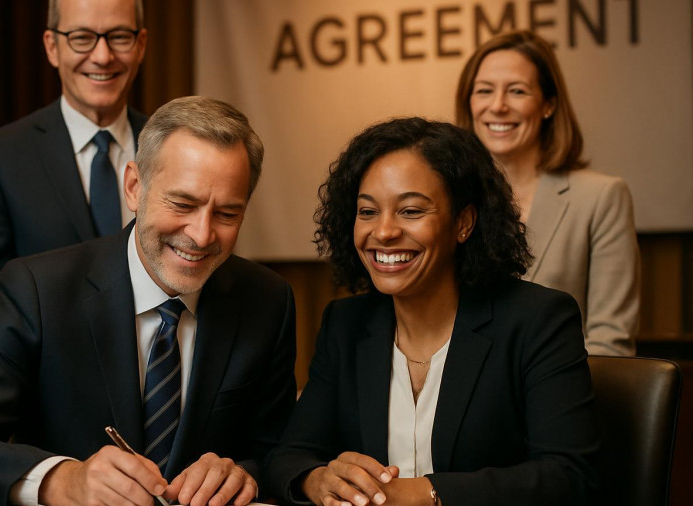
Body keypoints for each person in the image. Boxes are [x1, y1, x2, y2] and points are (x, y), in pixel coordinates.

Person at [0, 97, 298, 506]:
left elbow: (280, 452)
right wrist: (61, 480)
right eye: (182, 204)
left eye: (227, 214)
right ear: (133, 187)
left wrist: (244, 474)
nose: (201, 235)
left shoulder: (267, 299)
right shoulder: (38, 291)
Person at [266, 118, 597, 505]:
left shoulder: (538, 319)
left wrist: (427, 493)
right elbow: (289, 456)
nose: (383, 232)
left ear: (463, 223)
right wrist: (318, 480)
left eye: (410, 211)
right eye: (367, 211)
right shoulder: (346, 324)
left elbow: (569, 476)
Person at [0, 0, 149, 341]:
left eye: (119, 36)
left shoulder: (171, 150)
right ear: (52, 47)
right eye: (82, 37)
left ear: (141, 44)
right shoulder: (0, 157)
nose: (102, 56)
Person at [455, 30, 640, 356]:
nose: (497, 106)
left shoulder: (602, 197)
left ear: (548, 105)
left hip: (562, 386)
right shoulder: (450, 198)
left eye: (517, 91)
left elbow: (610, 343)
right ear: (469, 103)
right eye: (484, 90)